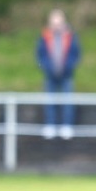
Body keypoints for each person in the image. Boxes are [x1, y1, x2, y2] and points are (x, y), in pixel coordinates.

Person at [35, 8, 81, 140]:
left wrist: (69, 67)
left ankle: (67, 126)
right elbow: (40, 56)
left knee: (68, 100)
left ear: (63, 22)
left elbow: (76, 55)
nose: (56, 26)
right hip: (50, 75)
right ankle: (50, 126)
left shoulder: (71, 36)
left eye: (58, 23)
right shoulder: (44, 37)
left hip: (66, 75)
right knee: (50, 101)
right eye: (54, 23)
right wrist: (45, 67)